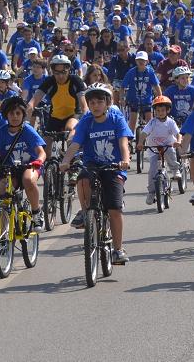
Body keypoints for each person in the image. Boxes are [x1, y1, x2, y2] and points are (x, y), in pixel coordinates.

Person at [64, 83, 134, 264]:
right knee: (82, 178)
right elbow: (75, 145)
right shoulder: (87, 121)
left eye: (99, 102)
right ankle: (86, 211)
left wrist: (125, 160)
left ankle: (118, 249)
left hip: (113, 166)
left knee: (114, 209)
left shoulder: (116, 118)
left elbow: (123, 143)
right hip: (92, 164)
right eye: (92, 102)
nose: (95, 106)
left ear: (108, 103)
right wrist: (65, 161)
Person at [0, 97, 48, 229]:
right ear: (6, 115)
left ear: (23, 115)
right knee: (4, 189)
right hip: (9, 169)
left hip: (29, 166)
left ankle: (36, 213)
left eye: (18, 113)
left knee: (28, 179)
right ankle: (2, 235)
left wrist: (38, 161)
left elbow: (42, 152)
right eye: (11, 113)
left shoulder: (27, 130)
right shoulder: (0, 132)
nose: (15, 117)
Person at [30, 55, 89, 140]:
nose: (60, 76)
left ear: (69, 70)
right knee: (46, 144)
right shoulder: (49, 81)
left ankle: (69, 151)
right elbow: (34, 100)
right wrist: (28, 111)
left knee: (69, 129)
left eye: (64, 72)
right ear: (52, 71)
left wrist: (87, 120)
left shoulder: (75, 81)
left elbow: (84, 106)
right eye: (57, 73)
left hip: (73, 114)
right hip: (55, 116)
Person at [143, 95, 182, 205]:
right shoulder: (152, 122)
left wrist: (178, 141)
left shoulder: (170, 122)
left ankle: (175, 170)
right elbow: (144, 133)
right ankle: (151, 192)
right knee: (152, 171)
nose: (160, 113)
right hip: (154, 149)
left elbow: (177, 134)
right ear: (154, 111)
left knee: (170, 153)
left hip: (167, 146)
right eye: (157, 110)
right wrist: (140, 143)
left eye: (163, 110)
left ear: (168, 110)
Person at [123, 51, 162, 140]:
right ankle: (130, 139)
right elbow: (123, 86)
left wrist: (160, 97)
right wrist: (122, 98)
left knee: (149, 119)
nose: (141, 62)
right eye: (139, 60)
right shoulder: (131, 72)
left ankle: (151, 138)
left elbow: (156, 86)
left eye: (143, 60)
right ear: (136, 61)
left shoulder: (150, 72)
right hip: (134, 100)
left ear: (147, 61)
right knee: (133, 119)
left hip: (146, 100)